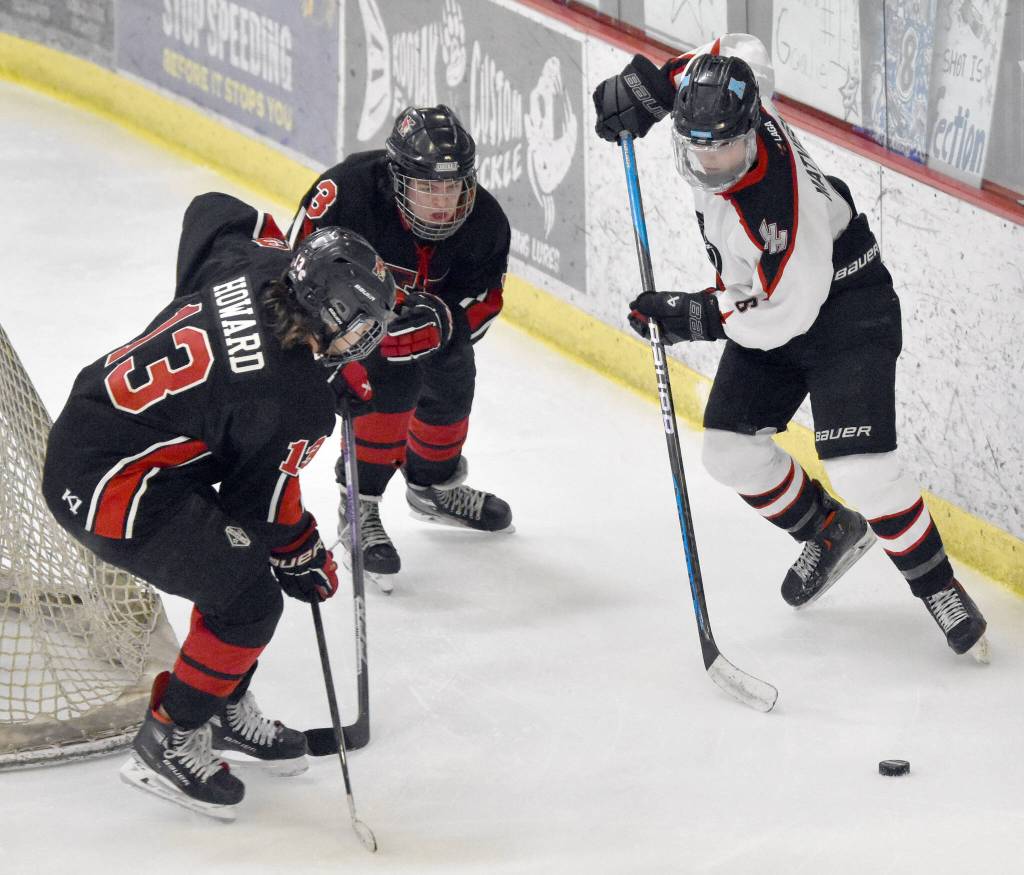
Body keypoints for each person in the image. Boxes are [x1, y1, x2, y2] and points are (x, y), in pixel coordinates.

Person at [592, 34, 989, 660]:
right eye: (697, 144)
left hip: (844, 309)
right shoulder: (738, 96)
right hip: (772, 301)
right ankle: (830, 532)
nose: (710, 160)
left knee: (861, 467)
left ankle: (938, 587)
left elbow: (782, 315)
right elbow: (735, 49)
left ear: (751, 134)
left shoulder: (778, 211)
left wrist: (696, 313)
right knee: (727, 451)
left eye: (724, 146)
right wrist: (652, 85)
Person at [42, 192, 396, 819]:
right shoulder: (288, 400)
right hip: (109, 488)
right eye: (361, 327)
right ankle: (169, 736)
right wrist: (302, 550)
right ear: (322, 314)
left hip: (108, 428)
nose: (369, 341)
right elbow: (261, 506)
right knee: (248, 600)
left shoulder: (255, 269)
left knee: (236, 562)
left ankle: (223, 704)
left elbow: (214, 213)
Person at [288, 104, 513, 586]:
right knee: (390, 376)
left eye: (452, 186)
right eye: (429, 186)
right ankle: (359, 505)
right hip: (348, 327)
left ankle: (432, 487)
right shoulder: (344, 193)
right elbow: (296, 266)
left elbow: (486, 300)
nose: (442, 201)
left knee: (454, 378)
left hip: (430, 328)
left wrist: (446, 323)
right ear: (397, 179)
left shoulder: (485, 221)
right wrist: (336, 335)